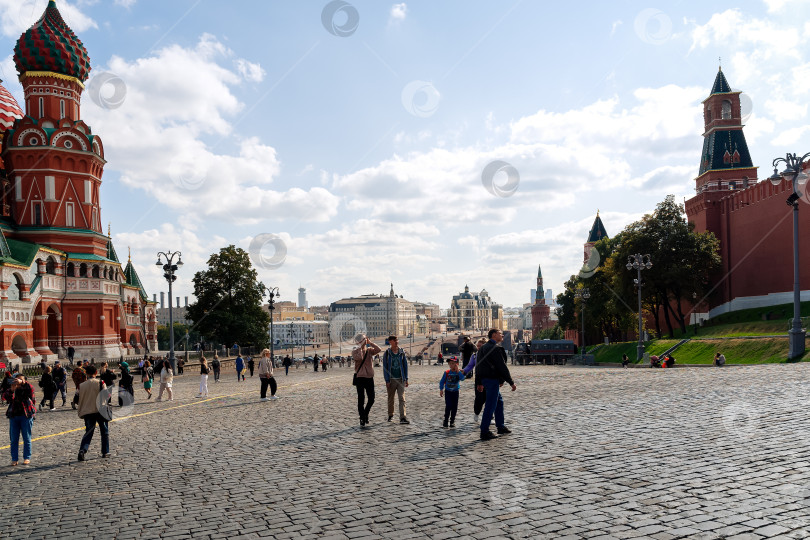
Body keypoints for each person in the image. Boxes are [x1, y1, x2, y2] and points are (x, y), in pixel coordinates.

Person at [475, 329, 516, 441]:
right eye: (500, 333)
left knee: (499, 402)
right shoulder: (496, 348)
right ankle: (484, 431)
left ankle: (500, 426)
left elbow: (478, 366)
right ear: (494, 335)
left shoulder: (482, 348)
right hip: (492, 380)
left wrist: (479, 382)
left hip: (485, 379)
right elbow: (501, 366)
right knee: (490, 405)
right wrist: (511, 382)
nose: (502, 335)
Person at [76, 365, 110, 461]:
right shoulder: (100, 382)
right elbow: (107, 395)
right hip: (100, 411)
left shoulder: (81, 385)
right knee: (104, 432)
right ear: (96, 373)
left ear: (86, 373)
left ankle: (83, 450)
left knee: (88, 432)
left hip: (88, 412)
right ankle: (105, 452)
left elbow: (76, 398)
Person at [4, 373, 36, 465]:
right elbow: (6, 397)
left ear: (24, 380)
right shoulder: (13, 388)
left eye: (20, 379)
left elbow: (30, 391)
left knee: (26, 438)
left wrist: (22, 383)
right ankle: (14, 459)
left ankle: (27, 457)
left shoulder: (27, 387)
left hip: (26, 415)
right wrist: (11, 390)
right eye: (16, 379)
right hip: (14, 416)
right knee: (14, 439)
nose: (18, 381)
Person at [353, 334, 381, 427]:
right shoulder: (355, 351)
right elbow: (359, 358)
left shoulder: (369, 351)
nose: (365, 340)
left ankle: (366, 413)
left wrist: (370, 343)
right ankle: (362, 418)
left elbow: (378, 350)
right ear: (358, 341)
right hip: (360, 378)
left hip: (369, 377)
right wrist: (360, 347)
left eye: (365, 339)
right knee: (361, 399)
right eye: (363, 339)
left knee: (372, 399)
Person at [382, 335, 410, 424]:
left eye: (397, 339)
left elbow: (405, 365)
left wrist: (406, 378)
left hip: (401, 379)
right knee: (391, 398)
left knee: (402, 398)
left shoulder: (401, 352)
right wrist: (387, 380)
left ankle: (403, 417)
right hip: (391, 379)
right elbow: (385, 368)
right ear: (390, 342)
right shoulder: (387, 353)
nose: (396, 341)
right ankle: (390, 415)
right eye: (394, 340)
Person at [462, 338, 488, 423]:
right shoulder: (474, 355)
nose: (478, 348)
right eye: (477, 346)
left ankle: (490, 417)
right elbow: (470, 366)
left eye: (480, 346)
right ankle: (476, 413)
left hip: (489, 378)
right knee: (479, 398)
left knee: (489, 398)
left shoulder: (489, 354)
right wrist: (464, 371)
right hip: (479, 378)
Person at [440, 357, 466, 428]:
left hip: (455, 392)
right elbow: (442, 381)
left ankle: (452, 421)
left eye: (453, 364)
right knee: (448, 406)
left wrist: (458, 371)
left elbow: (463, 378)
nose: (451, 365)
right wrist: (441, 389)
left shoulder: (459, 373)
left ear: (456, 364)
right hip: (448, 392)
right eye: (450, 364)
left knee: (454, 407)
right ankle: (445, 421)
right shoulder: (447, 372)